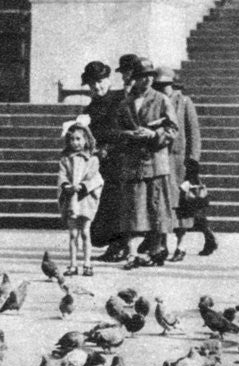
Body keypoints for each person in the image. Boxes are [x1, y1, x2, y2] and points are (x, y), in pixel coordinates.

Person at [114, 58, 180, 268]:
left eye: (151, 76)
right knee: (134, 209)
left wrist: (153, 134)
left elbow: (173, 129)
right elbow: (116, 131)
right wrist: (129, 134)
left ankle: (156, 251)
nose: (148, 80)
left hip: (156, 162)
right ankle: (132, 253)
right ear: (134, 78)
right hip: (133, 163)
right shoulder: (125, 103)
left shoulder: (161, 100)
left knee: (157, 208)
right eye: (143, 76)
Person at [152, 66, 218, 260]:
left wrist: (193, 161)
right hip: (161, 161)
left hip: (180, 163)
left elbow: (194, 134)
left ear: (173, 85)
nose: (163, 88)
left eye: (166, 85)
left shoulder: (184, 102)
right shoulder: (156, 102)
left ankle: (180, 246)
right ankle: (163, 245)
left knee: (183, 209)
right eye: (159, 85)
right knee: (163, 206)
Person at [80, 61, 128, 262]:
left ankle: (120, 246)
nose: (97, 87)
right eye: (92, 84)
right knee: (104, 203)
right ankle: (114, 244)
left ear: (109, 80)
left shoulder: (120, 100)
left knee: (116, 203)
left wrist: (103, 146)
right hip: (100, 162)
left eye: (100, 82)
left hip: (119, 158)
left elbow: (120, 131)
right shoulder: (91, 107)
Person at [58, 119, 104, 277]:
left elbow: (94, 178)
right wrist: (66, 186)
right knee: (72, 233)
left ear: (86, 140)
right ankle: (72, 264)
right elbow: (62, 175)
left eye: (78, 139)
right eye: (71, 139)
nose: (75, 142)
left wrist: (83, 186)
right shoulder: (65, 160)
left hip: (84, 199)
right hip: (71, 198)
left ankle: (87, 263)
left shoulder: (92, 160)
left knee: (85, 232)